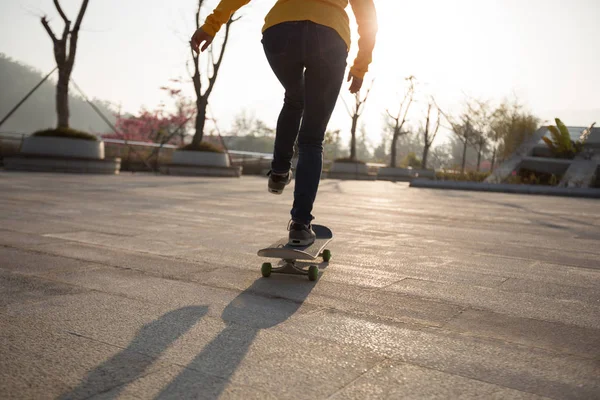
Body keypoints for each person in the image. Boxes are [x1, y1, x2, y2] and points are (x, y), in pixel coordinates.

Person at [192, 0, 377, 246]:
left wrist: (211, 25)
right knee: (312, 137)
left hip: (281, 32)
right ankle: (300, 224)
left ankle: (279, 170)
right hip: (330, 36)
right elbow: (366, 16)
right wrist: (360, 66)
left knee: (294, 97)